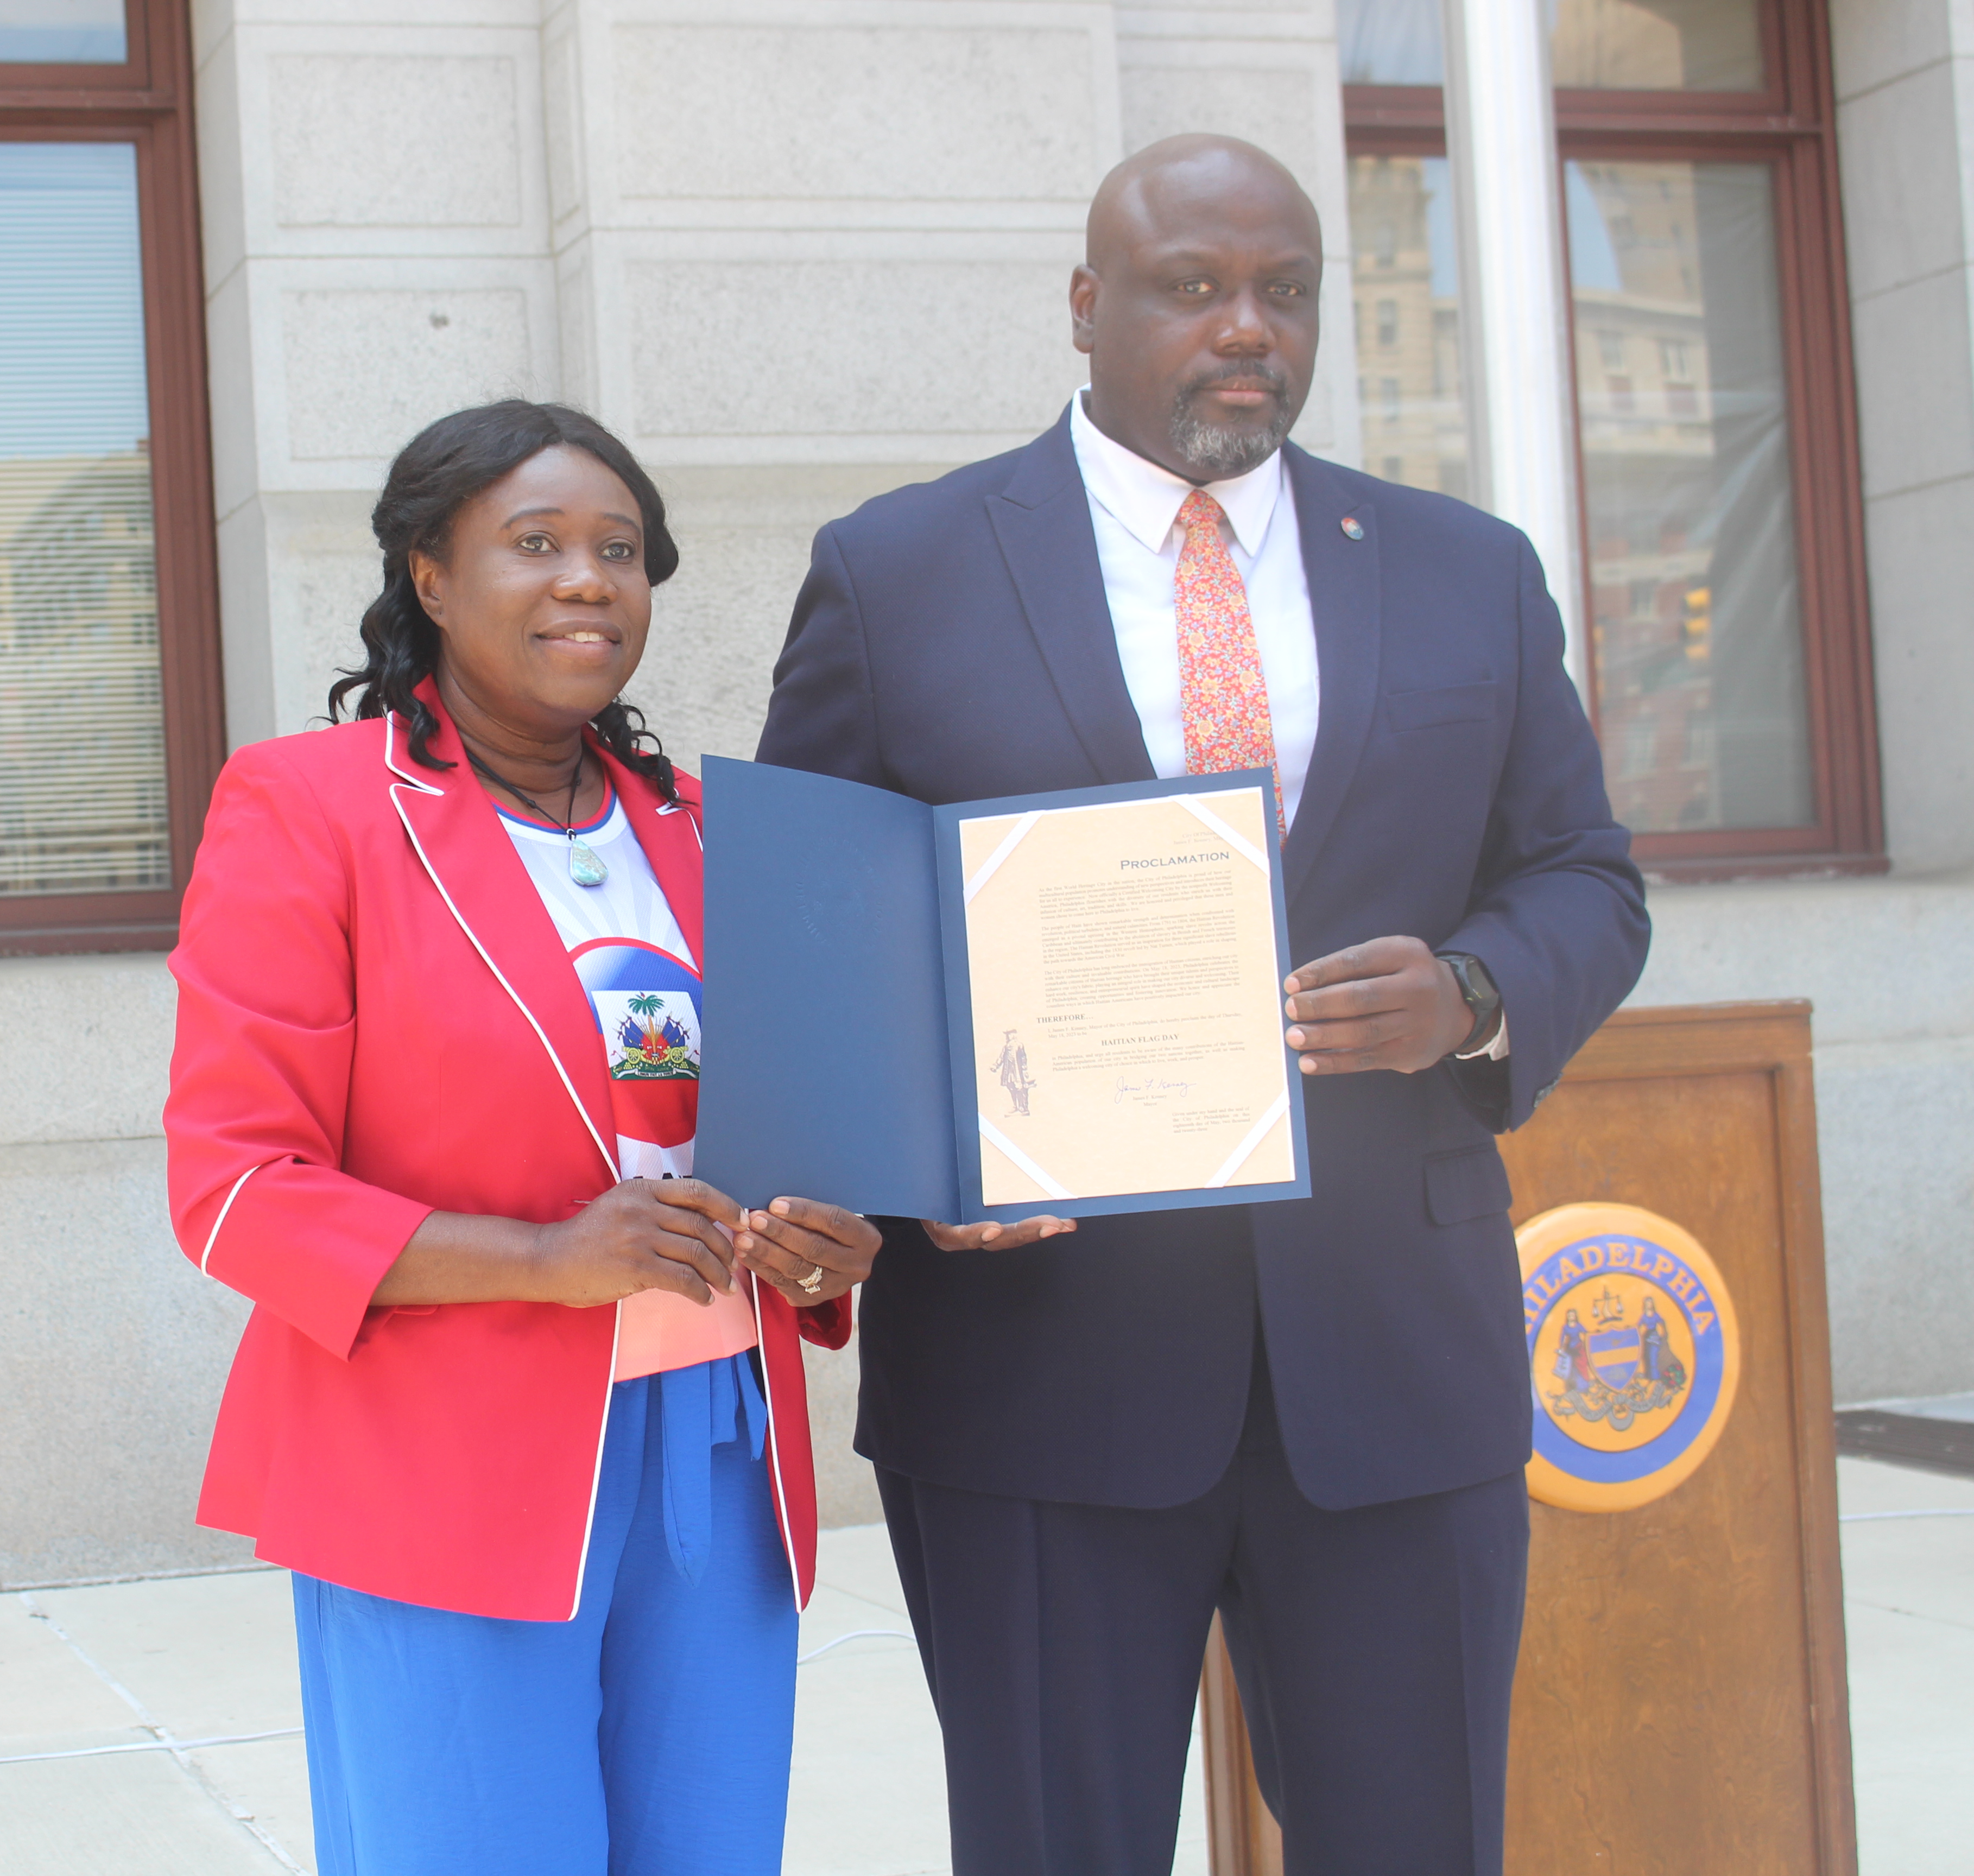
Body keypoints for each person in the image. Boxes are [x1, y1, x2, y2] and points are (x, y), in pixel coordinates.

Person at [755, 136, 1649, 1874]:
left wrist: (1472, 992)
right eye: (1193, 287)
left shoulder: (1467, 568)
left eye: (1287, 291)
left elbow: (1587, 881)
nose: (1248, 329)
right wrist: (923, 1171)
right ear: (1088, 309)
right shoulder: (899, 568)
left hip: (1393, 1358)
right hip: (1038, 1377)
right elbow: (818, 951)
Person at [164, 400, 882, 1876]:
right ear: (429, 576)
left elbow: (787, 1117)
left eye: (619, 551)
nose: (586, 581)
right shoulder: (311, 811)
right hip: (449, 1450)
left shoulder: (702, 828)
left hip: (717, 1456)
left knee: (709, 1849)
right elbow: (234, 1184)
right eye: (535, 544)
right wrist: (548, 1258)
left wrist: (825, 1243)